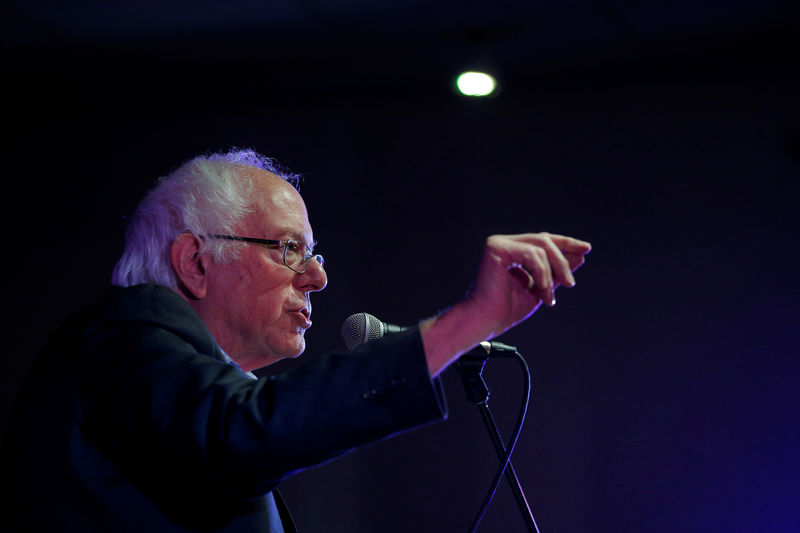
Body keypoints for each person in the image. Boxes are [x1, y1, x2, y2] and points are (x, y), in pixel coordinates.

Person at [1, 148, 591, 532]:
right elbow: (242, 431)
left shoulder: (173, 399)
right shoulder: (125, 331)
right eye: (288, 249)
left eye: (312, 252)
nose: (317, 276)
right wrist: (467, 322)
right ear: (195, 263)